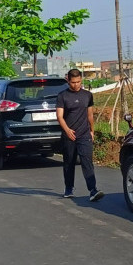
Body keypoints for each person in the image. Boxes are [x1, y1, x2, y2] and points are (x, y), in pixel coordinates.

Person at [56, 69, 104, 202]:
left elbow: (90, 115)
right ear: (68, 81)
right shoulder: (62, 96)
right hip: (69, 135)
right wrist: (67, 130)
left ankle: (93, 190)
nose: (76, 85)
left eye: (78, 82)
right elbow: (59, 116)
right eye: (73, 82)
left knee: (86, 161)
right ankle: (69, 187)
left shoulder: (87, 95)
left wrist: (92, 131)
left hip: (84, 134)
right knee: (69, 162)